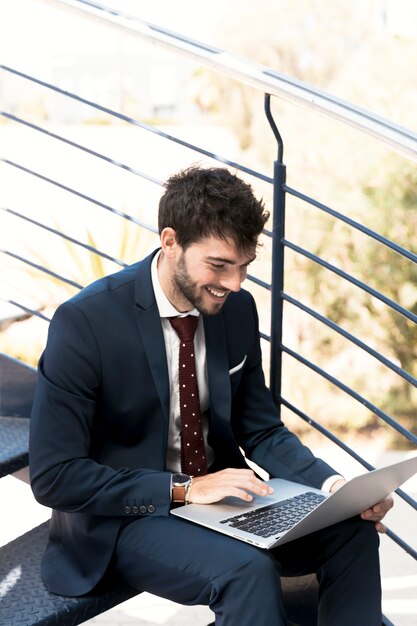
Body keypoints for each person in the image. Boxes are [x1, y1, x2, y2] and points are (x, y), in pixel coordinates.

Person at [30, 165, 393, 625]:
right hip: (128, 516)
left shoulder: (236, 309)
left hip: (225, 498)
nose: (235, 283)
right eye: (219, 266)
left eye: (244, 267)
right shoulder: (85, 323)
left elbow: (261, 429)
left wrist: (336, 489)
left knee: (352, 531)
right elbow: (55, 476)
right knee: (248, 572)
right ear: (170, 241)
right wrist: (187, 489)